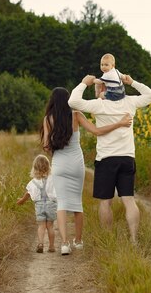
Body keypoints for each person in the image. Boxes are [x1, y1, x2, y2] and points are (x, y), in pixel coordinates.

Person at [40, 87, 133, 255]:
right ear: (68, 100)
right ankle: (78, 241)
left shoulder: (48, 119)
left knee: (61, 203)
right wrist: (119, 123)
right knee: (76, 203)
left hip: (60, 163)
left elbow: (46, 146)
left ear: (52, 101)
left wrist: (55, 143)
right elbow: (97, 131)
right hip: (76, 164)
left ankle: (65, 244)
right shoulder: (76, 115)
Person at [68, 73, 151, 244]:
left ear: (103, 88)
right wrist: (132, 82)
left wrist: (83, 83)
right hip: (127, 158)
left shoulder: (99, 105)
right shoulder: (130, 102)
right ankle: (133, 239)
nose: (96, 91)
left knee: (105, 202)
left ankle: (108, 239)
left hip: (106, 159)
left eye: (97, 88)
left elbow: (73, 102)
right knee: (129, 200)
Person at [16, 154, 57, 253]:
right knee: (50, 226)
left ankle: (40, 244)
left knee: (41, 226)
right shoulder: (53, 179)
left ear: (34, 168)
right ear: (48, 167)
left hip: (39, 205)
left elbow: (28, 193)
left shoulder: (33, 182)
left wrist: (22, 200)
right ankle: (51, 246)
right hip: (51, 204)